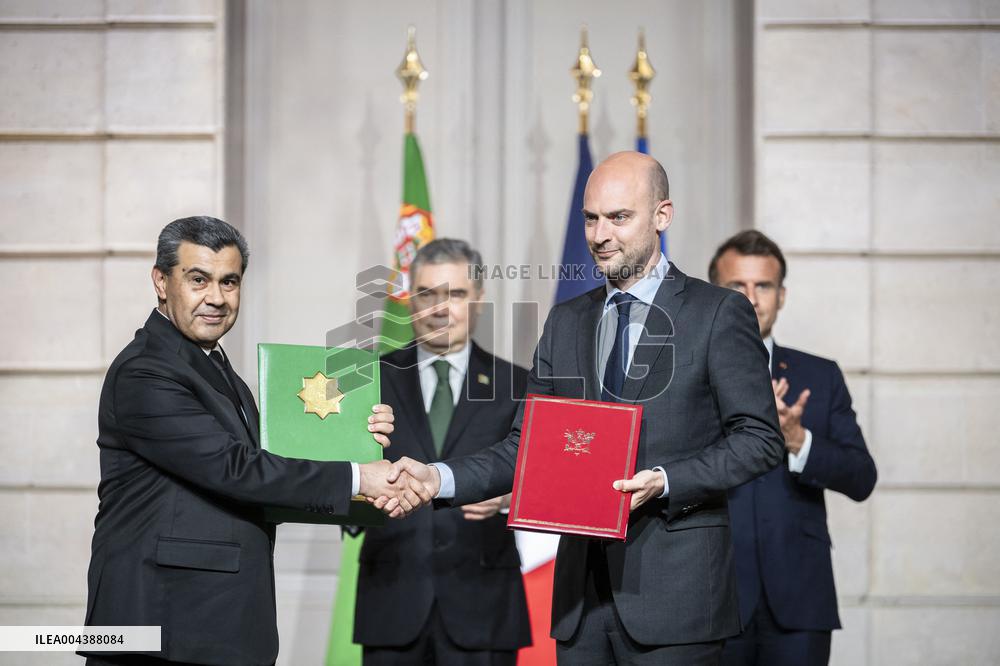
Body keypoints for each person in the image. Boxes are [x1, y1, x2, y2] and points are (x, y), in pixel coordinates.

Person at [381, 152, 786, 665]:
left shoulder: (718, 313)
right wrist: (437, 478)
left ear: (662, 216)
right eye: (591, 219)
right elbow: (525, 447)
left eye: (619, 217)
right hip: (581, 605)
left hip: (677, 601)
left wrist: (665, 479)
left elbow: (760, 439)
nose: (600, 235)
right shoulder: (567, 320)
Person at [80, 216, 426, 666]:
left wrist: (359, 442)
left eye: (230, 281)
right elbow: (235, 470)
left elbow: (264, 472)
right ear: (161, 282)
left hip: (211, 625)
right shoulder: (146, 371)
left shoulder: (217, 369)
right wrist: (360, 477)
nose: (217, 298)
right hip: (162, 625)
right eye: (198, 280)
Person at [354, 238, 531, 665]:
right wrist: (361, 491)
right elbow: (340, 481)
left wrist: (508, 501)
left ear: (479, 300)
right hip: (392, 600)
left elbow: (551, 481)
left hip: (484, 604)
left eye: (455, 294)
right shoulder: (366, 380)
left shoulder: (518, 384)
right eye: (426, 294)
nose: (439, 308)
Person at [709, 230, 877, 666]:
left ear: (781, 295)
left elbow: (862, 477)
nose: (751, 298)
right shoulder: (686, 376)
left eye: (762, 285)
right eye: (736, 286)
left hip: (801, 600)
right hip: (712, 597)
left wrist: (798, 440)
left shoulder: (819, 377)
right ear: (713, 294)